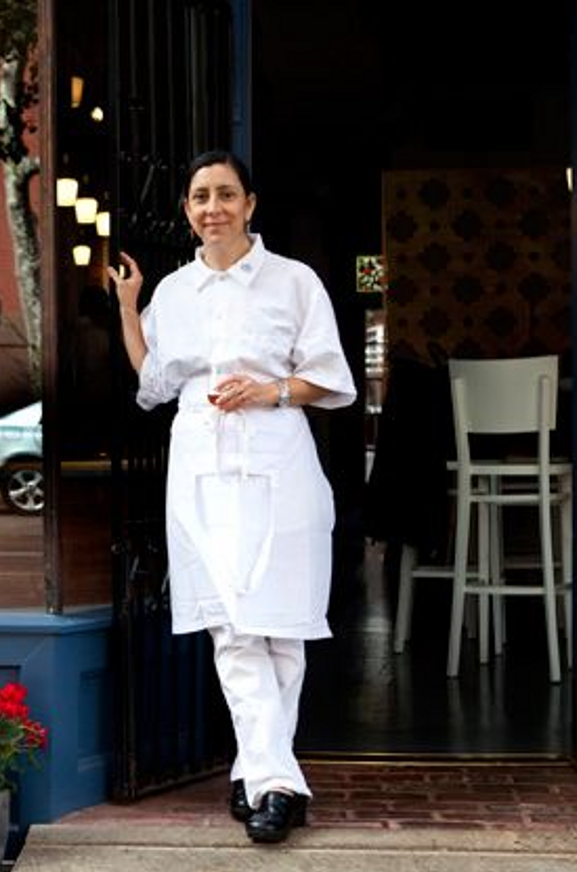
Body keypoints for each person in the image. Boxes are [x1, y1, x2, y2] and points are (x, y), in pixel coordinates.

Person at [107, 150, 355, 844]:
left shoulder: (294, 282)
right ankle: (277, 781)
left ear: (250, 203)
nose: (211, 207)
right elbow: (153, 379)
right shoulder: (178, 292)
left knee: (283, 628)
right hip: (200, 468)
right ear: (186, 212)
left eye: (224, 194)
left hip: (278, 458)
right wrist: (130, 309)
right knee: (233, 623)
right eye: (198, 197)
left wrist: (268, 389)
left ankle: (260, 773)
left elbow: (330, 379)